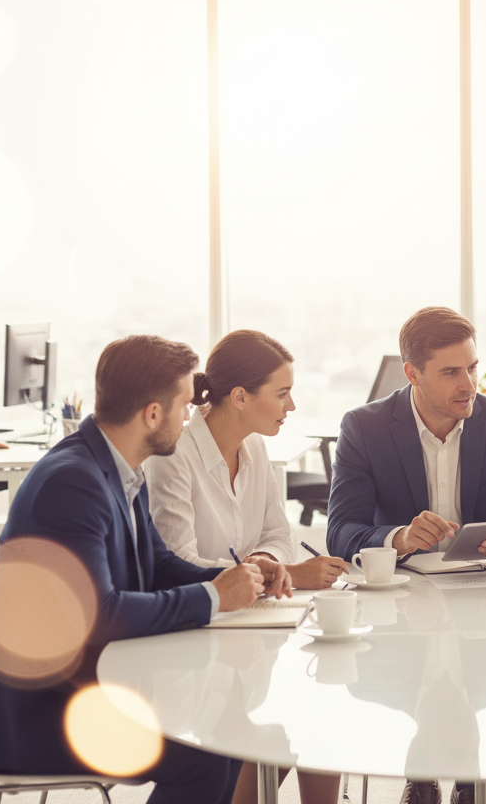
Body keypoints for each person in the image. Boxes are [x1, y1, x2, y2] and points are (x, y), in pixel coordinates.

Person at [0, 335, 286, 804]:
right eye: (186, 406)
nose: (191, 418)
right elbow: (97, 614)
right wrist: (214, 598)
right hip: (27, 714)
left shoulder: (119, 466)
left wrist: (237, 578)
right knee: (202, 751)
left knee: (222, 727)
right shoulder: (72, 482)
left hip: (77, 680)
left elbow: (158, 563)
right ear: (152, 414)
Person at [326, 306, 486, 804]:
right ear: (412, 374)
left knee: (470, 660)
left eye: (472, 368)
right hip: (403, 598)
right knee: (431, 663)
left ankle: (464, 778)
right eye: (451, 372)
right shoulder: (364, 427)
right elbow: (341, 531)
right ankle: (433, 774)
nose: (468, 383)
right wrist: (398, 538)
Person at [145, 329, 349, 804]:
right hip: (192, 639)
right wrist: (286, 576)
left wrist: (266, 561)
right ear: (239, 397)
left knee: (317, 710)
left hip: (246, 630)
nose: (291, 406)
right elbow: (179, 562)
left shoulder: (256, 448)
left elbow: (277, 533)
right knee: (279, 721)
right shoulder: (174, 456)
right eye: (281, 394)